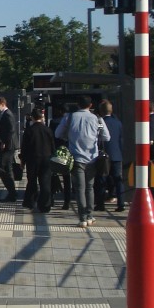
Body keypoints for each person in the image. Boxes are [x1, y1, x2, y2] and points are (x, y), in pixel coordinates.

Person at [55, 95, 111, 228]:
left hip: (75, 157)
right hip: (92, 158)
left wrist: (68, 135)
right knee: (89, 187)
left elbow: (57, 134)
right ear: (90, 105)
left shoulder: (69, 117)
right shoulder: (97, 118)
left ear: (77, 105)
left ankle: (82, 218)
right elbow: (107, 137)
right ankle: (90, 214)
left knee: (80, 188)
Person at [20, 107, 54, 213]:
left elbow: (24, 147)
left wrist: (23, 161)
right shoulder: (48, 130)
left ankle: (30, 202)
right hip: (47, 159)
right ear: (42, 117)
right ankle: (45, 205)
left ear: (32, 118)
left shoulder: (29, 130)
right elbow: (53, 146)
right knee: (45, 182)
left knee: (32, 181)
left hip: (33, 159)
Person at [97, 99, 124, 212]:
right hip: (116, 154)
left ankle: (100, 204)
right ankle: (121, 203)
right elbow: (121, 140)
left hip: (104, 155)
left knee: (102, 179)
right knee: (118, 180)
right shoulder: (118, 123)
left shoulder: (100, 123)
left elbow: (98, 139)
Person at [0, 95, 18, 202]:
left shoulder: (8, 115)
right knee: (7, 169)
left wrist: (4, 142)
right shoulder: (6, 114)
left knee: (0, 167)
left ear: (3, 104)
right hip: (8, 146)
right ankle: (12, 194)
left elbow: (11, 130)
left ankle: (12, 191)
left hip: (8, 146)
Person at [49, 105, 73, 210]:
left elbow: (51, 137)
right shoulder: (73, 122)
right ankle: (67, 201)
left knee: (53, 175)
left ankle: (52, 198)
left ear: (60, 111)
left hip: (57, 152)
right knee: (67, 178)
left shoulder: (54, 122)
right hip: (70, 152)